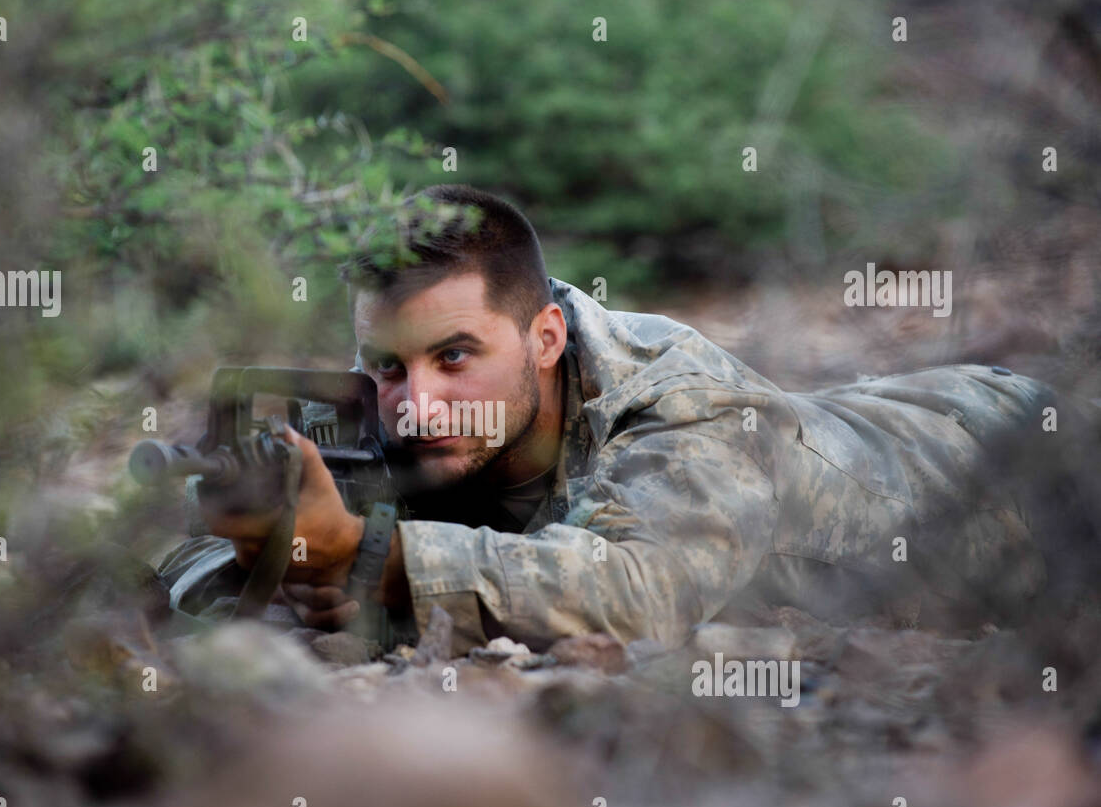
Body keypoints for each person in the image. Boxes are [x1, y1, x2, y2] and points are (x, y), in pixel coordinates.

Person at [159, 183, 1078, 656]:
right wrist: (268, 554)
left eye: (455, 357)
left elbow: (635, 591)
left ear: (546, 335)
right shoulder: (391, 417)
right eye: (388, 365)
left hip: (1019, 454)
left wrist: (370, 555)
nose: (416, 401)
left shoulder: (685, 402)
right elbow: (189, 566)